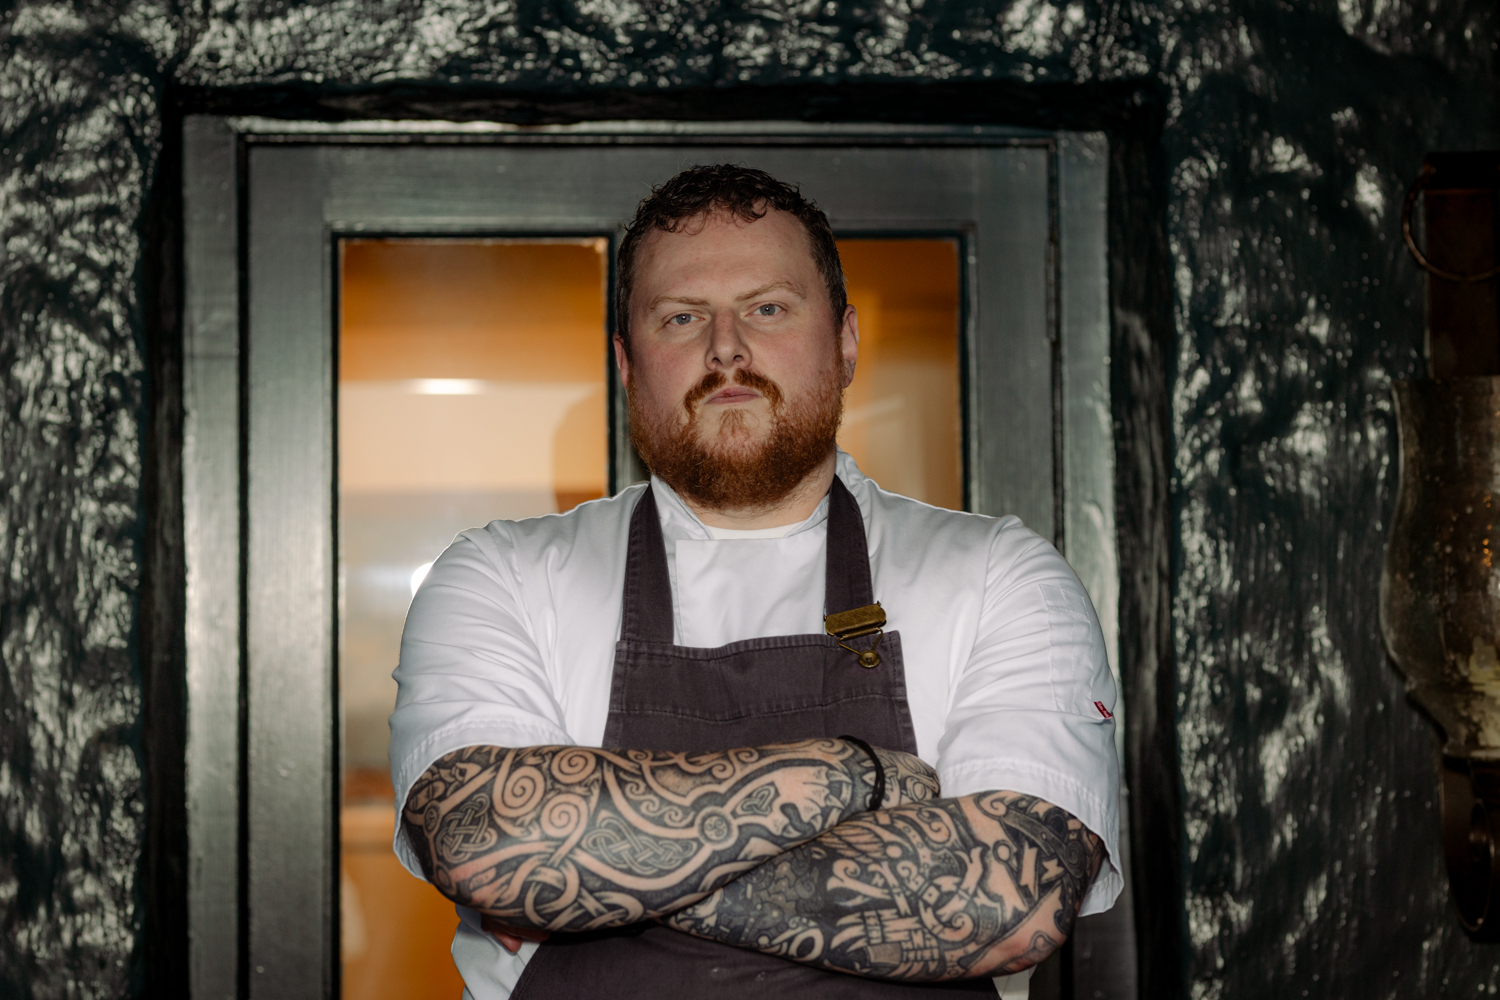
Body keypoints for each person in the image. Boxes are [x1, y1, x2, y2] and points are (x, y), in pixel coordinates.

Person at [389, 164, 1122, 999]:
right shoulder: (502, 576)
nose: (726, 348)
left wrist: (591, 874)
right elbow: (484, 840)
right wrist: (860, 776)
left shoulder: (999, 575)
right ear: (627, 364)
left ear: (845, 343)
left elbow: (1007, 896)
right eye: (681, 317)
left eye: (768, 309)